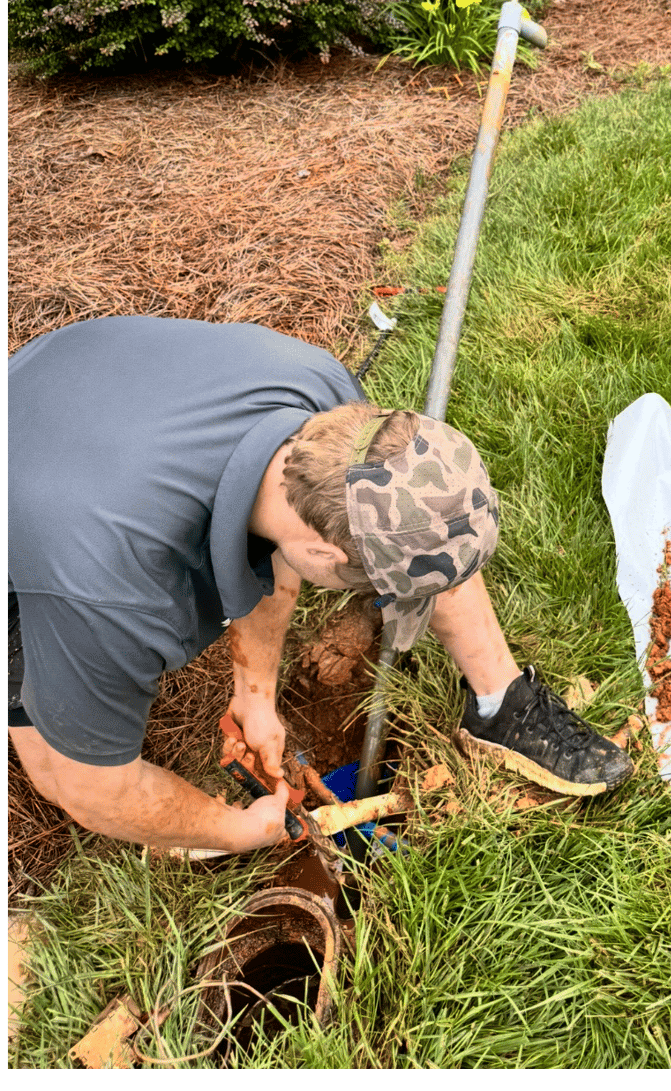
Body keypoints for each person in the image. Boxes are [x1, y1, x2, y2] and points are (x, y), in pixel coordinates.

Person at [7, 316, 632, 854]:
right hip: (41, 501)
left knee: (414, 526)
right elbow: (94, 791)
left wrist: (256, 695)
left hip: (84, 388)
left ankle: (502, 704)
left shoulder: (326, 404)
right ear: (322, 555)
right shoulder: (110, 592)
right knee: (58, 763)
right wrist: (241, 829)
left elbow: (282, 544)